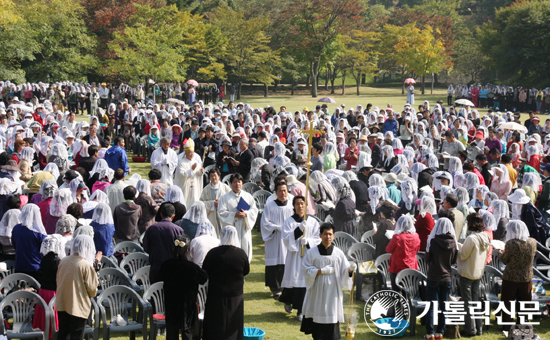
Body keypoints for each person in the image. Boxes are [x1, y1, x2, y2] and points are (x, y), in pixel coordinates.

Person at [300, 223, 355, 340]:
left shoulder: (338, 253)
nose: (327, 237)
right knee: (317, 317)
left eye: (330, 234)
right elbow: (305, 269)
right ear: (320, 235)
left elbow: (345, 271)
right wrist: (320, 271)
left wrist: (350, 269)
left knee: (332, 319)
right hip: (317, 291)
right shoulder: (312, 252)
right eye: (325, 234)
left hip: (332, 293)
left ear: (333, 236)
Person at [202, 226, 250, 340]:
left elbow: (205, 270)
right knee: (234, 322)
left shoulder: (213, 253)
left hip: (216, 294)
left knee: (215, 323)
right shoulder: (241, 254)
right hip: (235, 295)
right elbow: (246, 271)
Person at [279, 195, 321, 320]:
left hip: (307, 256)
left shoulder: (313, 222)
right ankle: (288, 301)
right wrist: (298, 230)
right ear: (294, 206)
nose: (300, 206)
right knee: (293, 281)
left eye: (302, 203)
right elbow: (286, 239)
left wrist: (307, 241)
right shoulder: (289, 221)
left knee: (304, 284)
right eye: (297, 204)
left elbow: (317, 239)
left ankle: (301, 311)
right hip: (294, 256)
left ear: (306, 205)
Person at [160, 234, 208, 340]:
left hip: (171, 302)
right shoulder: (192, 268)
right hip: (187, 304)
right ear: (187, 250)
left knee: (172, 330)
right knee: (187, 330)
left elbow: (160, 277)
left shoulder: (166, 265)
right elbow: (203, 278)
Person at [56, 235, 99, 340]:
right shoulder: (86, 265)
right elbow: (93, 290)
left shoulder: (64, 261)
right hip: (78, 305)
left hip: (62, 302)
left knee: (63, 334)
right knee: (77, 336)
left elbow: (58, 279)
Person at [498, 221, 537, 330]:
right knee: (524, 302)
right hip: (526, 276)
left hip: (511, 277)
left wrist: (500, 253)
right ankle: (523, 324)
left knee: (507, 302)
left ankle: (507, 325)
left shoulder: (511, 243)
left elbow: (505, 260)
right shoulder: (533, 242)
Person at [458, 213, 491, 337]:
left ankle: (470, 330)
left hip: (467, 272)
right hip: (478, 272)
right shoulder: (485, 237)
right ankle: (478, 328)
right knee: (475, 301)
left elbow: (463, 255)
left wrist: (459, 249)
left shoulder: (471, 238)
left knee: (468, 303)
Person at [424, 218, 457, 340]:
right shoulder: (453, 242)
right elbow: (454, 260)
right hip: (447, 276)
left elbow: (427, 259)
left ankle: (430, 332)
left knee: (431, 305)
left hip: (433, 275)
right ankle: (440, 332)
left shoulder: (433, 241)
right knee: (444, 305)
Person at [261, 181, 294, 300]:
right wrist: (276, 227)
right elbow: (265, 223)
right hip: (274, 238)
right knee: (274, 263)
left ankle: (284, 286)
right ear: (276, 192)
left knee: (285, 262)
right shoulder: (270, 206)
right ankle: (274, 288)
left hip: (286, 239)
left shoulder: (291, 206)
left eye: (285, 190)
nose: (283, 193)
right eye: (280, 190)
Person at [218, 173, 258, 261]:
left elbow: (254, 210)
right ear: (231, 184)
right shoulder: (225, 198)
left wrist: (246, 214)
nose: (237, 184)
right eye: (235, 182)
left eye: (239, 182)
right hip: (233, 227)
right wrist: (234, 214)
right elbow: (221, 213)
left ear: (242, 183)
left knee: (244, 249)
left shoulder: (248, 196)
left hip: (244, 226)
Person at [143, 203, 184, 283]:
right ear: (173, 216)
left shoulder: (151, 229)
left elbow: (146, 248)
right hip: (173, 269)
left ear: (161, 215)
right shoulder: (178, 230)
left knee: (156, 293)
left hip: (156, 268)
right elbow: (181, 250)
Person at [32, 234, 64, 334]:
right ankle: (52, 332)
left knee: (43, 313)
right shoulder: (56, 261)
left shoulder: (44, 259)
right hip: (53, 292)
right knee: (52, 314)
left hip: (43, 291)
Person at [386, 215, 420, 292]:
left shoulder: (397, 237)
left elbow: (388, 249)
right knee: (408, 289)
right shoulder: (416, 236)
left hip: (397, 266)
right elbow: (417, 249)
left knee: (396, 290)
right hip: (411, 265)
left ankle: (398, 304)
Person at [200, 168, 231, 236]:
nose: (213, 177)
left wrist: (221, 202)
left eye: (215, 175)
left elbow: (231, 201)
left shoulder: (226, 188)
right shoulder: (206, 189)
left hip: (223, 216)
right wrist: (212, 203)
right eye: (211, 176)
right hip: (211, 216)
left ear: (219, 176)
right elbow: (201, 204)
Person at [175, 138, 203, 209]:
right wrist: (191, 170)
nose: (192, 154)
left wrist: (201, 172)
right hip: (186, 187)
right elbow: (182, 176)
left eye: (193, 152)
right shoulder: (181, 163)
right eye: (190, 152)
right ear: (186, 153)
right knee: (186, 203)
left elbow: (198, 175)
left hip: (194, 186)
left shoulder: (195, 162)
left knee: (194, 200)